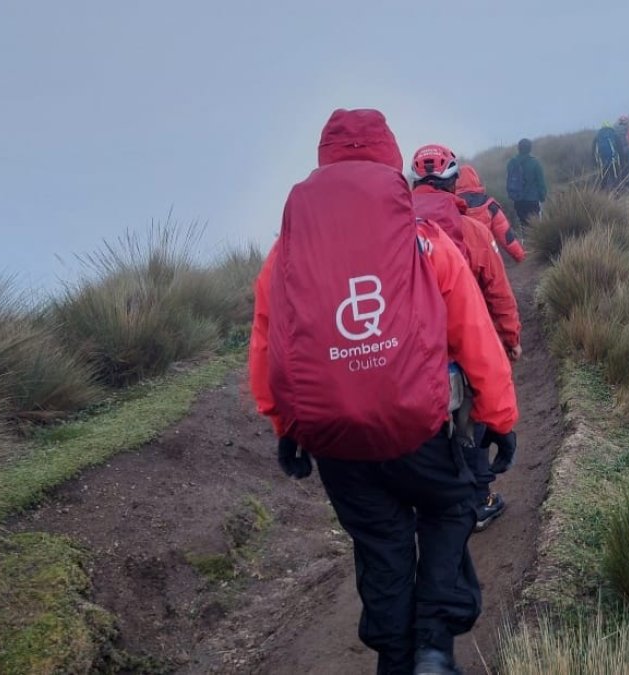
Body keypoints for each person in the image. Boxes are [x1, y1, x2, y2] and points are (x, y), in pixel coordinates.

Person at [249, 108, 519, 675]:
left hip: (336, 443)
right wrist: (499, 416)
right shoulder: (425, 241)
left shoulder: (285, 256)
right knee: (450, 509)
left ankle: (396, 661)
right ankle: (433, 648)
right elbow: (471, 331)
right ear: (391, 160)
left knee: (380, 543)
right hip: (421, 430)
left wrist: (286, 427)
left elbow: (268, 344)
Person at [412, 144, 522, 533]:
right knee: (470, 426)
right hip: (463, 348)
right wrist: (510, 338)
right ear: (454, 182)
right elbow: (498, 292)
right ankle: (478, 501)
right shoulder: (472, 231)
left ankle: (431, 506)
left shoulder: (394, 231)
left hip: (409, 358)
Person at [456, 164, 526, 262]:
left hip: (462, 259)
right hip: (487, 259)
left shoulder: (451, 205)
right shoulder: (490, 205)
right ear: (476, 179)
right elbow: (506, 235)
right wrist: (520, 256)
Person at [505, 138, 547, 231]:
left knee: (522, 226)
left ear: (518, 148)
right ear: (530, 149)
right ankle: (532, 244)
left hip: (518, 200)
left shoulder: (512, 163)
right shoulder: (535, 163)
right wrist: (542, 197)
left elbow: (509, 180)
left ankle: (522, 243)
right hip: (533, 201)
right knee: (534, 229)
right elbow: (541, 183)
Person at [592, 122, 621, 191]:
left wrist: (595, 161)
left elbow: (594, 150)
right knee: (615, 175)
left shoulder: (598, 136)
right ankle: (618, 190)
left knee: (604, 176)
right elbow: (619, 147)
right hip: (613, 159)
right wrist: (621, 159)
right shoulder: (613, 133)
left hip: (602, 160)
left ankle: (603, 192)